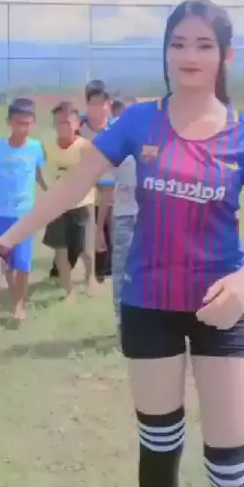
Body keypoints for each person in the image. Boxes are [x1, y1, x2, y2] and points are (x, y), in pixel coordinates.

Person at [0, 0, 244, 487]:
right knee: (159, 448)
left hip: (223, 307)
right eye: (178, 43)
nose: (189, 55)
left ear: (225, 55)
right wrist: (3, 244)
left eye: (203, 45)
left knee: (231, 472)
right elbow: (70, 188)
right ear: (165, 51)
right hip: (149, 305)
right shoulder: (140, 123)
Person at [0, 98, 47, 320]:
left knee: (23, 263)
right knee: (7, 261)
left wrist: (50, 193)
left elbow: (39, 174)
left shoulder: (36, 148)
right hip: (1, 213)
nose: (23, 128)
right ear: (9, 122)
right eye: (19, 123)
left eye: (27, 124)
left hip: (26, 214)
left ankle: (20, 304)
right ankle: (15, 300)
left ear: (33, 123)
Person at [43, 101, 97, 300]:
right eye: (59, 122)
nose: (63, 126)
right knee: (61, 252)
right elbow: (38, 170)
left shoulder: (85, 147)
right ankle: (68, 290)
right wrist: (46, 188)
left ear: (77, 124)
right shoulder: (47, 147)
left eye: (67, 122)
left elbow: (94, 172)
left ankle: (90, 278)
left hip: (82, 205)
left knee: (86, 250)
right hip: (57, 206)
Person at [79, 80, 115, 281]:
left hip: (111, 186)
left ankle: (105, 270)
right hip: (86, 186)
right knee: (86, 227)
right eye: (93, 103)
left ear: (109, 104)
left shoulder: (117, 127)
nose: (97, 108)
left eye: (101, 103)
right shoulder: (79, 126)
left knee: (109, 226)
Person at [110, 98, 138, 328]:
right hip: (124, 217)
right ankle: (123, 323)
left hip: (151, 218)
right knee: (121, 272)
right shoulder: (114, 145)